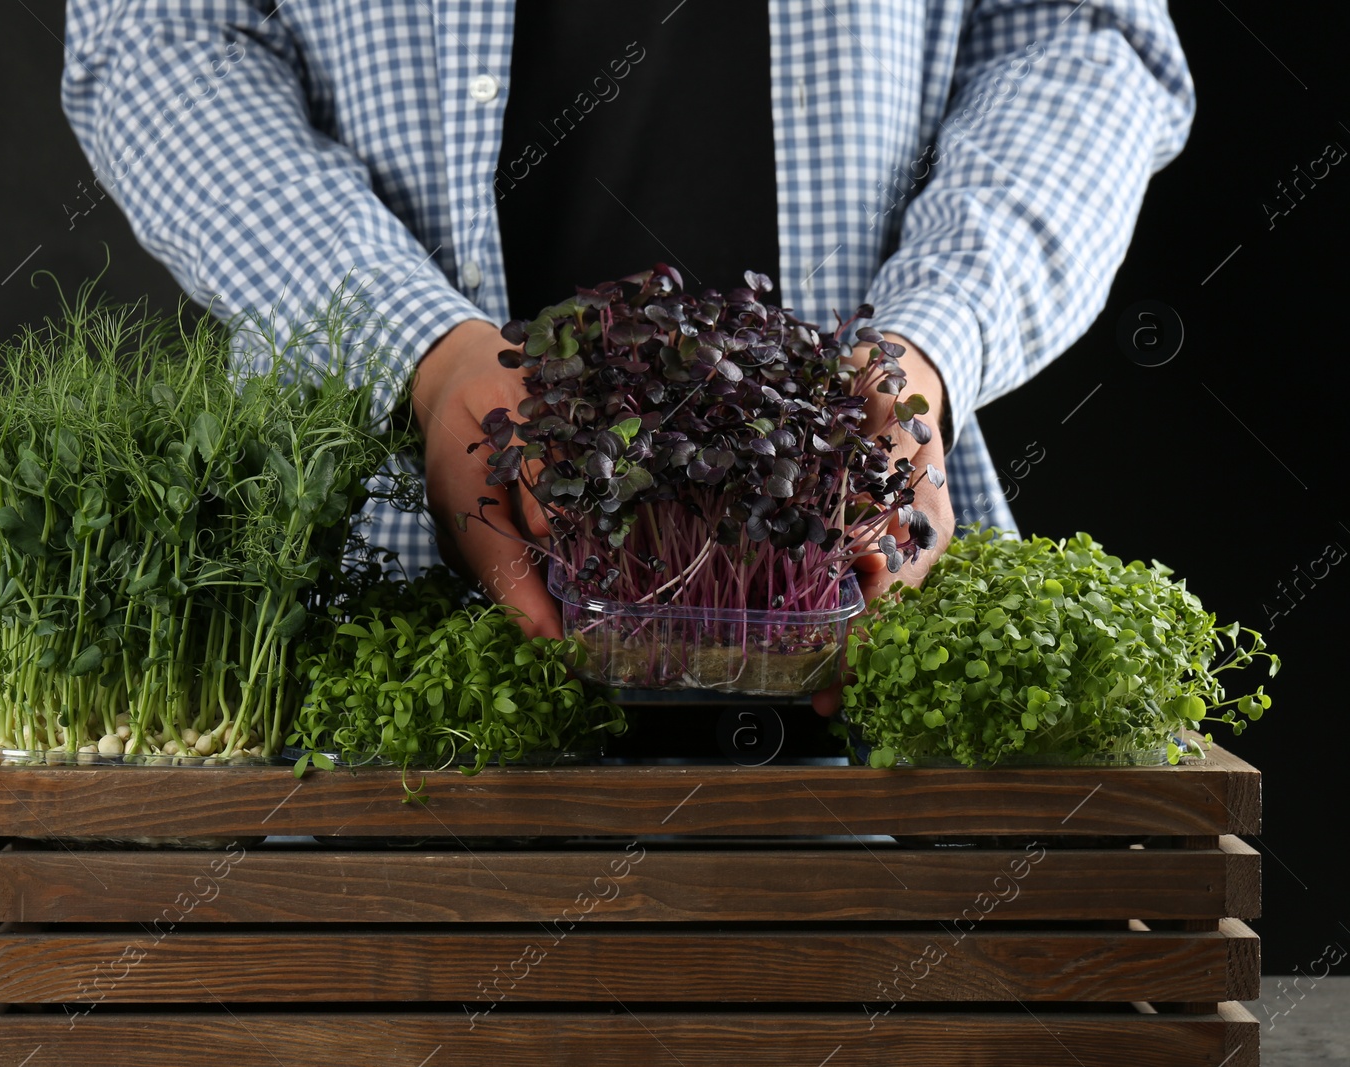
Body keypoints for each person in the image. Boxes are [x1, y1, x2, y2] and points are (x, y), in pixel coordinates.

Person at [60, 1, 1193, 674]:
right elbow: (163, 35)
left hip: (856, 599)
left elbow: (1077, 31)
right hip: (382, 564)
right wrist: (413, 349)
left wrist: (935, 332)